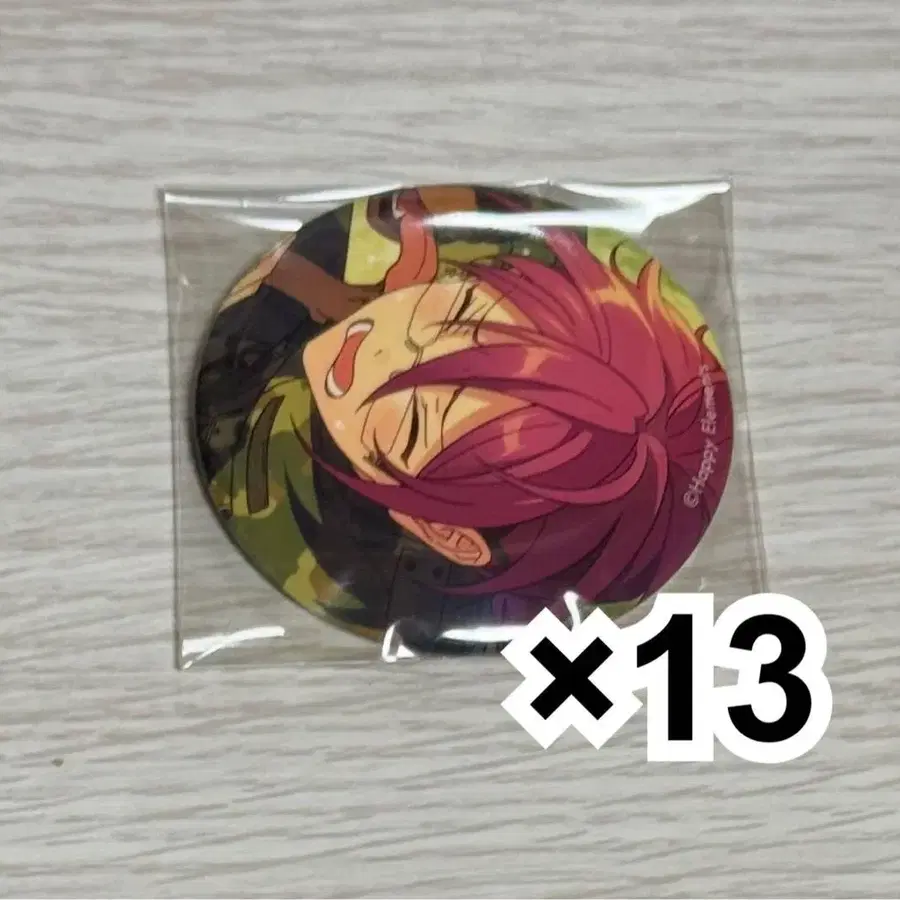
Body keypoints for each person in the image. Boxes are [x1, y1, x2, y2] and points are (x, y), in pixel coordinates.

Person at [194, 187, 732, 646]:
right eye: (458, 314)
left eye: (416, 422)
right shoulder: (427, 250)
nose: (380, 348)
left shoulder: (262, 472)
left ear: (444, 534)